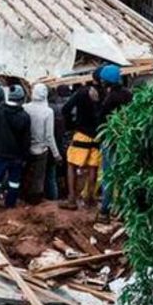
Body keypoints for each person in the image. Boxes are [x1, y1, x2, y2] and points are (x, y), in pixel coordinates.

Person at [0, 86, 31, 214]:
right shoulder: (24, 116)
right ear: (22, 99)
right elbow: (26, 140)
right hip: (17, 156)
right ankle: (10, 206)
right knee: (14, 182)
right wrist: (24, 156)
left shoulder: (1, 111)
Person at [96, 65, 133, 222]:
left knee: (109, 176)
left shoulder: (110, 99)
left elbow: (101, 120)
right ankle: (124, 210)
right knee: (124, 175)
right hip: (126, 139)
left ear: (106, 82)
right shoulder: (128, 94)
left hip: (111, 140)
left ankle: (105, 210)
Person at [61, 78, 102, 210]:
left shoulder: (82, 92)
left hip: (82, 133)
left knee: (71, 165)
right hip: (99, 136)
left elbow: (66, 109)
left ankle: (72, 199)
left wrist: (71, 125)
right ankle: (89, 200)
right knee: (93, 167)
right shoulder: (107, 93)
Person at [23, 83, 61, 205]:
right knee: (39, 177)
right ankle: (36, 202)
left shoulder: (25, 107)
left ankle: (22, 198)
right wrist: (56, 154)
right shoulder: (48, 111)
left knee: (25, 173)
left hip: (26, 148)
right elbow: (49, 136)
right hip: (41, 150)